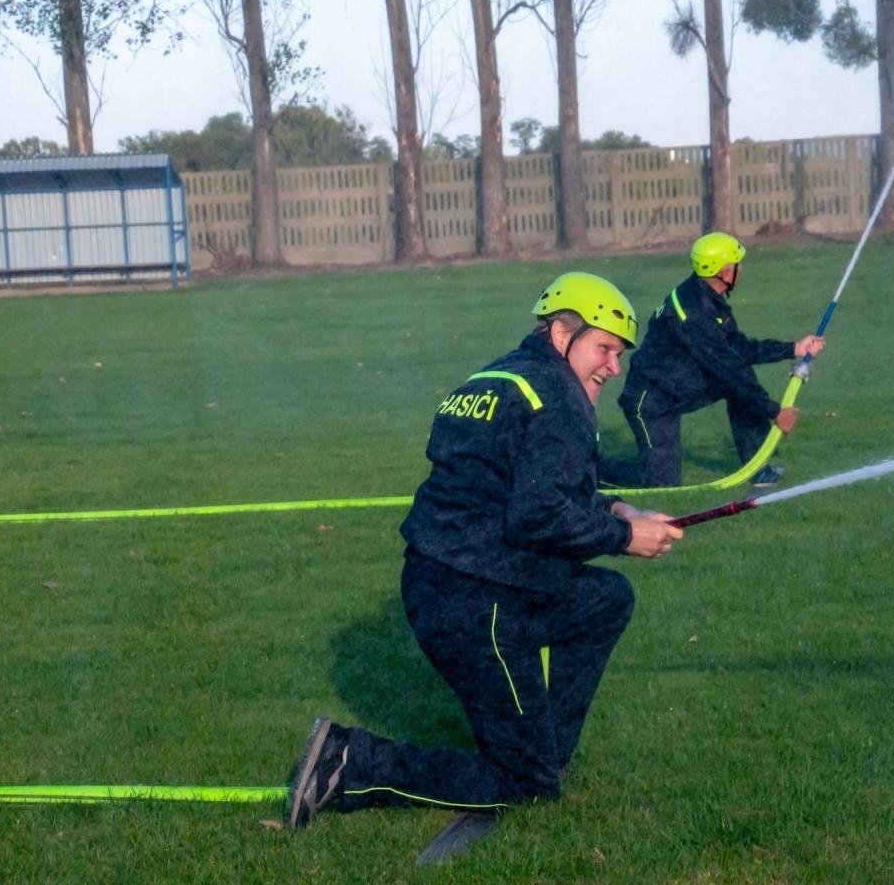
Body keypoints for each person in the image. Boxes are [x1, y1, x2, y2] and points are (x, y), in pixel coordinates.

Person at [284, 272, 682, 856]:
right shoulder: (558, 400)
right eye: (604, 348)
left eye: (619, 354)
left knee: (605, 599)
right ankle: (351, 761)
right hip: (479, 601)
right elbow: (537, 517)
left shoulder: (498, 379)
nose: (613, 367)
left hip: (442, 582)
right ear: (561, 334)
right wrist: (624, 536)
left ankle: (543, 748)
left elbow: (524, 486)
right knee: (526, 787)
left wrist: (617, 508)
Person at [603, 232, 825, 488]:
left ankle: (757, 467)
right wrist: (775, 412)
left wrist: (793, 348)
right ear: (726, 272)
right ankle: (592, 470)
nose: (742, 269)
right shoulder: (695, 313)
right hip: (651, 401)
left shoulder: (707, 297)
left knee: (738, 383)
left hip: (680, 386)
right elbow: (728, 366)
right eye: (738, 263)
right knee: (661, 481)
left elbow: (737, 348)